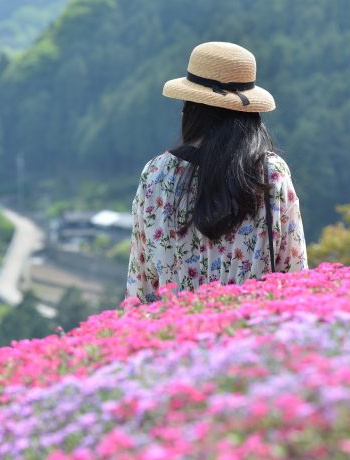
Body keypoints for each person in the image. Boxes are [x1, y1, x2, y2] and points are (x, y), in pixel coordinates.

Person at [126, 41, 307, 303]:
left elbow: (141, 282)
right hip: (248, 333)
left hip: (175, 337)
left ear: (191, 108)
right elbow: (295, 274)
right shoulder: (269, 175)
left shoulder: (157, 174)